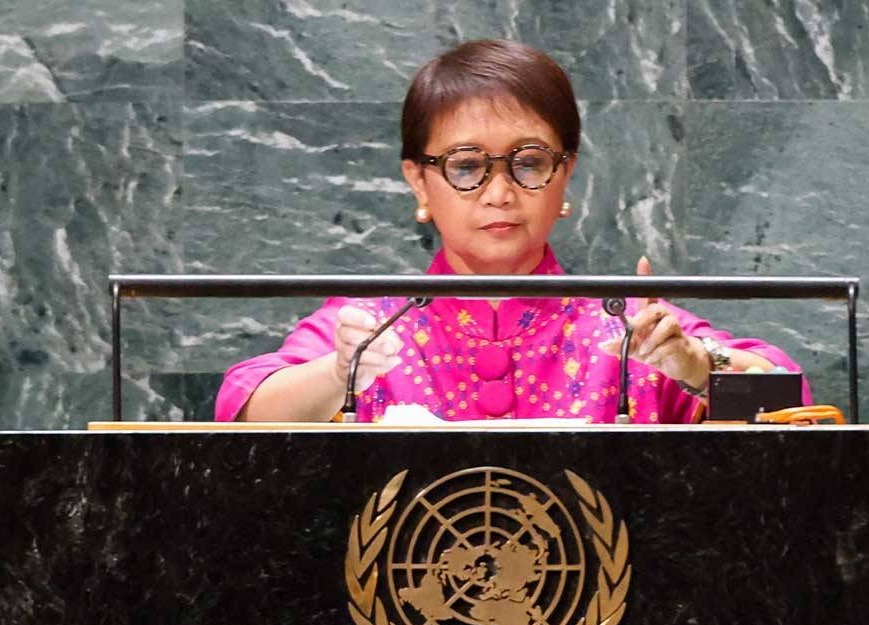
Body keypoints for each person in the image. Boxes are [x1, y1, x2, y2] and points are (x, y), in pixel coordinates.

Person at [215, 40, 809, 424]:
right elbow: (239, 413)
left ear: (565, 173)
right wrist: (336, 374)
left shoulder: (630, 326)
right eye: (466, 167)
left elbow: (791, 404)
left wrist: (696, 366)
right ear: (419, 182)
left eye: (528, 163)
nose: (499, 192)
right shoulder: (370, 326)